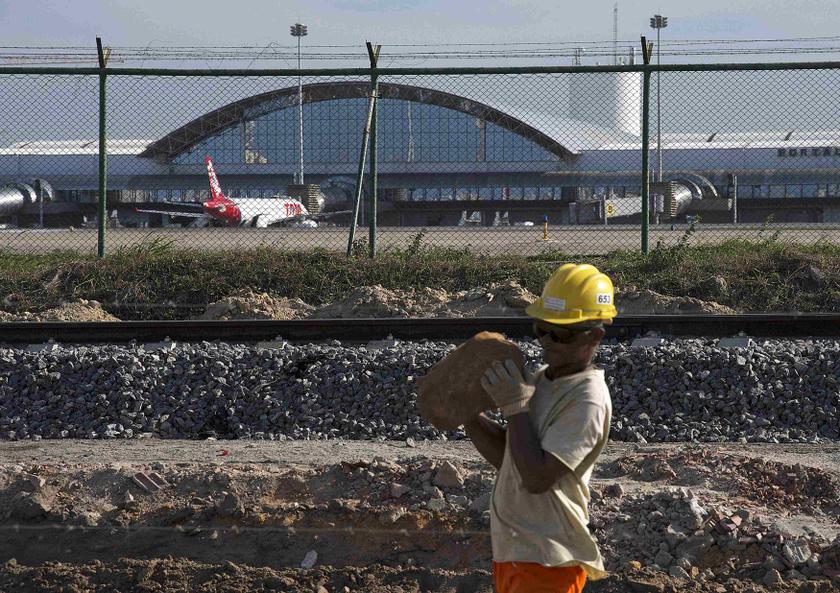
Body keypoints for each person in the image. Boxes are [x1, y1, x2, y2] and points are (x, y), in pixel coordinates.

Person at [464, 263, 616, 593]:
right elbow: (512, 459)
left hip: (547, 559)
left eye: (560, 333)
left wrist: (516, 407)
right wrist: (466, 414)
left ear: (595, 334)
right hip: (517, 553)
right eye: (542, 328)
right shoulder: (543, 380)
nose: (547, 341)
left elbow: (536, 477)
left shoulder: (587, 400)